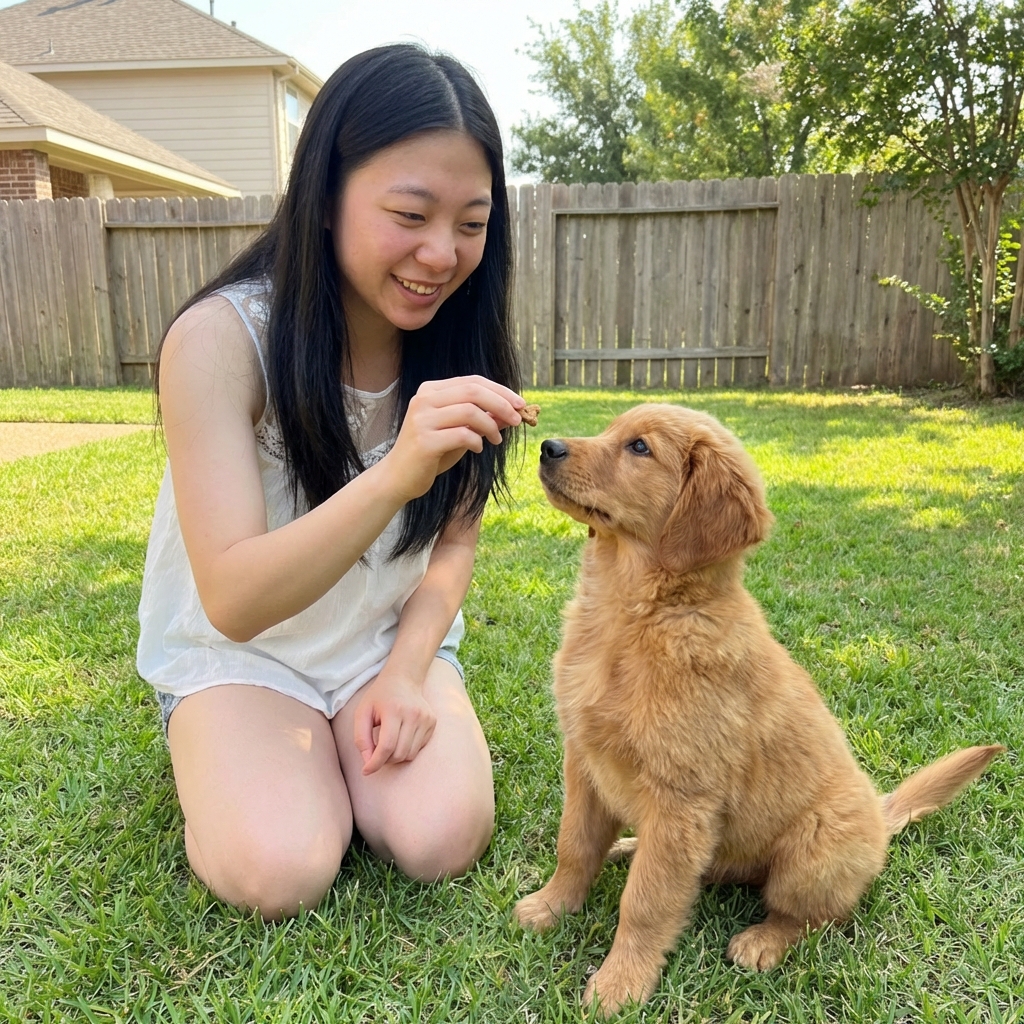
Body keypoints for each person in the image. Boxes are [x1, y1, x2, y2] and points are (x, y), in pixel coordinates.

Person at [137, 44, 525, 921]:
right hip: (241, 653)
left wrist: (408, 673)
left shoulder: (456, 338)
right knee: (281, 869)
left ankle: (324, 748)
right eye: (411, 213)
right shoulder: (219, 343)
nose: (443, 253)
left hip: (380, 645)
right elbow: (235, 598)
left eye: (472, 222)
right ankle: (222, 738)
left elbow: (454, 543)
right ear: (325, 196)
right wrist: (397, 474)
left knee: (442, 836)